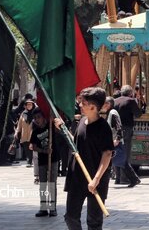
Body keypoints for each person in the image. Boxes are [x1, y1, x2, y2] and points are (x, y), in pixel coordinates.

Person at [54, 87, 114, 230]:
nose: (80, 105)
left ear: (93, 107)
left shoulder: (103, 127)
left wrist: (96, 179)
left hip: (95, 178)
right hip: (77, 176)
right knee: (70, 216)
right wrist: (63, 129)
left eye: (83, 103)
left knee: (94, 221)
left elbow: (107, 154)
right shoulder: (81, 122)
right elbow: (76, 144)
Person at [29, 107, 59, 217]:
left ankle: (52, 208)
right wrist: (44, 151)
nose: (37, 120)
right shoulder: (35, 131)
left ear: (43, 117)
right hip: (42, 160)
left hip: (53, 159)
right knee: (43, 184)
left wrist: (53, 119)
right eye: (35, 118)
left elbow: (59, 129)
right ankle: (43, 208)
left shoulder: (50, 127)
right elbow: (33, 146)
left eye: (39, 117)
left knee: (52, 183)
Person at [114, 85, 142, 187]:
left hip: (115, 130)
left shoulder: (115, 101)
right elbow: (138, 114)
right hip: (126, 129)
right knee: (125, 152)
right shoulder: (130, 101)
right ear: (130, 93)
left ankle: (117, 177)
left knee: (117, 151)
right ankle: (124, 178)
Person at [14, 98, 36, 167]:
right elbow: (19, 124)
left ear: (33, 105)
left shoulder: (35, 113)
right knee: (26, 149)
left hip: (33, 135)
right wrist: (17, 132)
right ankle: (29, 161)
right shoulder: (23, 114)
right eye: (28, 105)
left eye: (30, 104)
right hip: (24, 135)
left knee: (33, 148)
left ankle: (33, 161)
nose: (29, 106)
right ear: (26, 106)